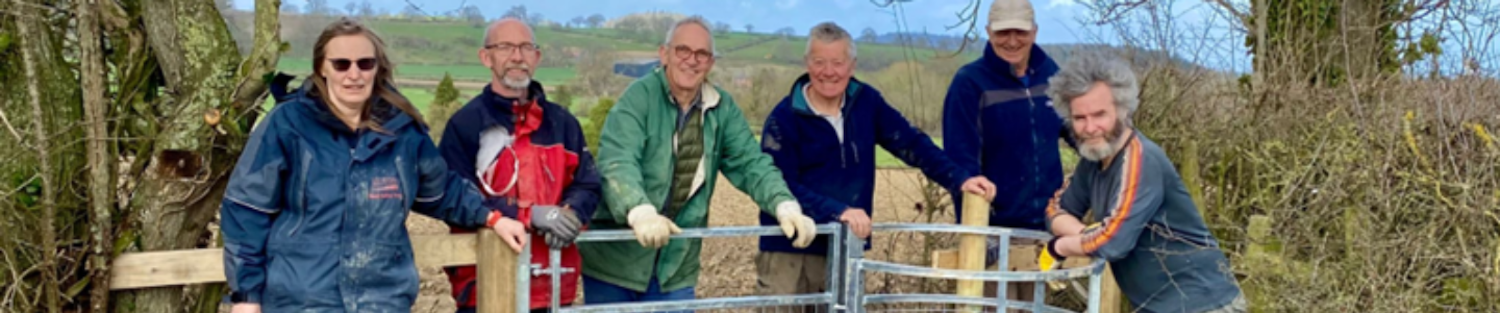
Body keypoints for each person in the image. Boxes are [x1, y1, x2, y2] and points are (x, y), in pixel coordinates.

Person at [220, 18, 529, 313]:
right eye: (341, 64)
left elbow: (441, 189)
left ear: (377, 69)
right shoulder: (288, 125)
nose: (353, 74)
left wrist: (492, 217)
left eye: (364, 64)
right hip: (302, 299)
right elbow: (247, 208)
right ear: (321, 70)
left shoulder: (402, 131)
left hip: (382, 299)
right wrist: (247, 295)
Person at [579, 16, 818, 307]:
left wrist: (784, 204)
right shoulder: (638, 98)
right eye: (683, 50)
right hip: (615, 264)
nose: (692, 61)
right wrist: (639, 211)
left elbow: (750, 162)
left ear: (711, 62)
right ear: (664, 53)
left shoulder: (722, 108)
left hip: (676, 267)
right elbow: (619, 159)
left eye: (702, 54)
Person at [756, 22, 997, 308]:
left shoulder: (866, 102)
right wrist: (837, 212)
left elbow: (911, 142)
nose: (828, 72)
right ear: (807, 63)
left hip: (845, 246)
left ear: (852, 65)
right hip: (790, 250)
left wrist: (960, 179)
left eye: (837, 62)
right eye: (819, 62)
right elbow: (779, 185)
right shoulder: (783, 119)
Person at [1039, 53, 1246, 313]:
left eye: (1099, 114)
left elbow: (1113, 242)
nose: (1090, 127)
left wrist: (1060, 246)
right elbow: (1055, 211)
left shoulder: (1141, 159)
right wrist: (1084, 236)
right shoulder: (1093, 159)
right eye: (1080, 118)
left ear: (1123, 109)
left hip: (1202, 304)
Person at [438, 18, 601, 313]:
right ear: (485, 57)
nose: (517, 56)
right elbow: (452, 198)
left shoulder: (563, 124)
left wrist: (571, 213)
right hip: (486, 289)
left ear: (537, 58)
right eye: (505, 47)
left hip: (552, 288)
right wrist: (527, 215)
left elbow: (588, 183)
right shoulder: (465, 126)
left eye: (526, 47)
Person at [941, 0, 1071, 304]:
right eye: (1003, 32)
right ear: (988, 32)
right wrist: (976, 233)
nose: (1012, 41)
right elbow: (961, 162)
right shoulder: (970, 83)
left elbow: (1080, 130)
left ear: (1034, 32)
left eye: (1020, 31)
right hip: (996, 231)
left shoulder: (1052, 75)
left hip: (1047, 227)